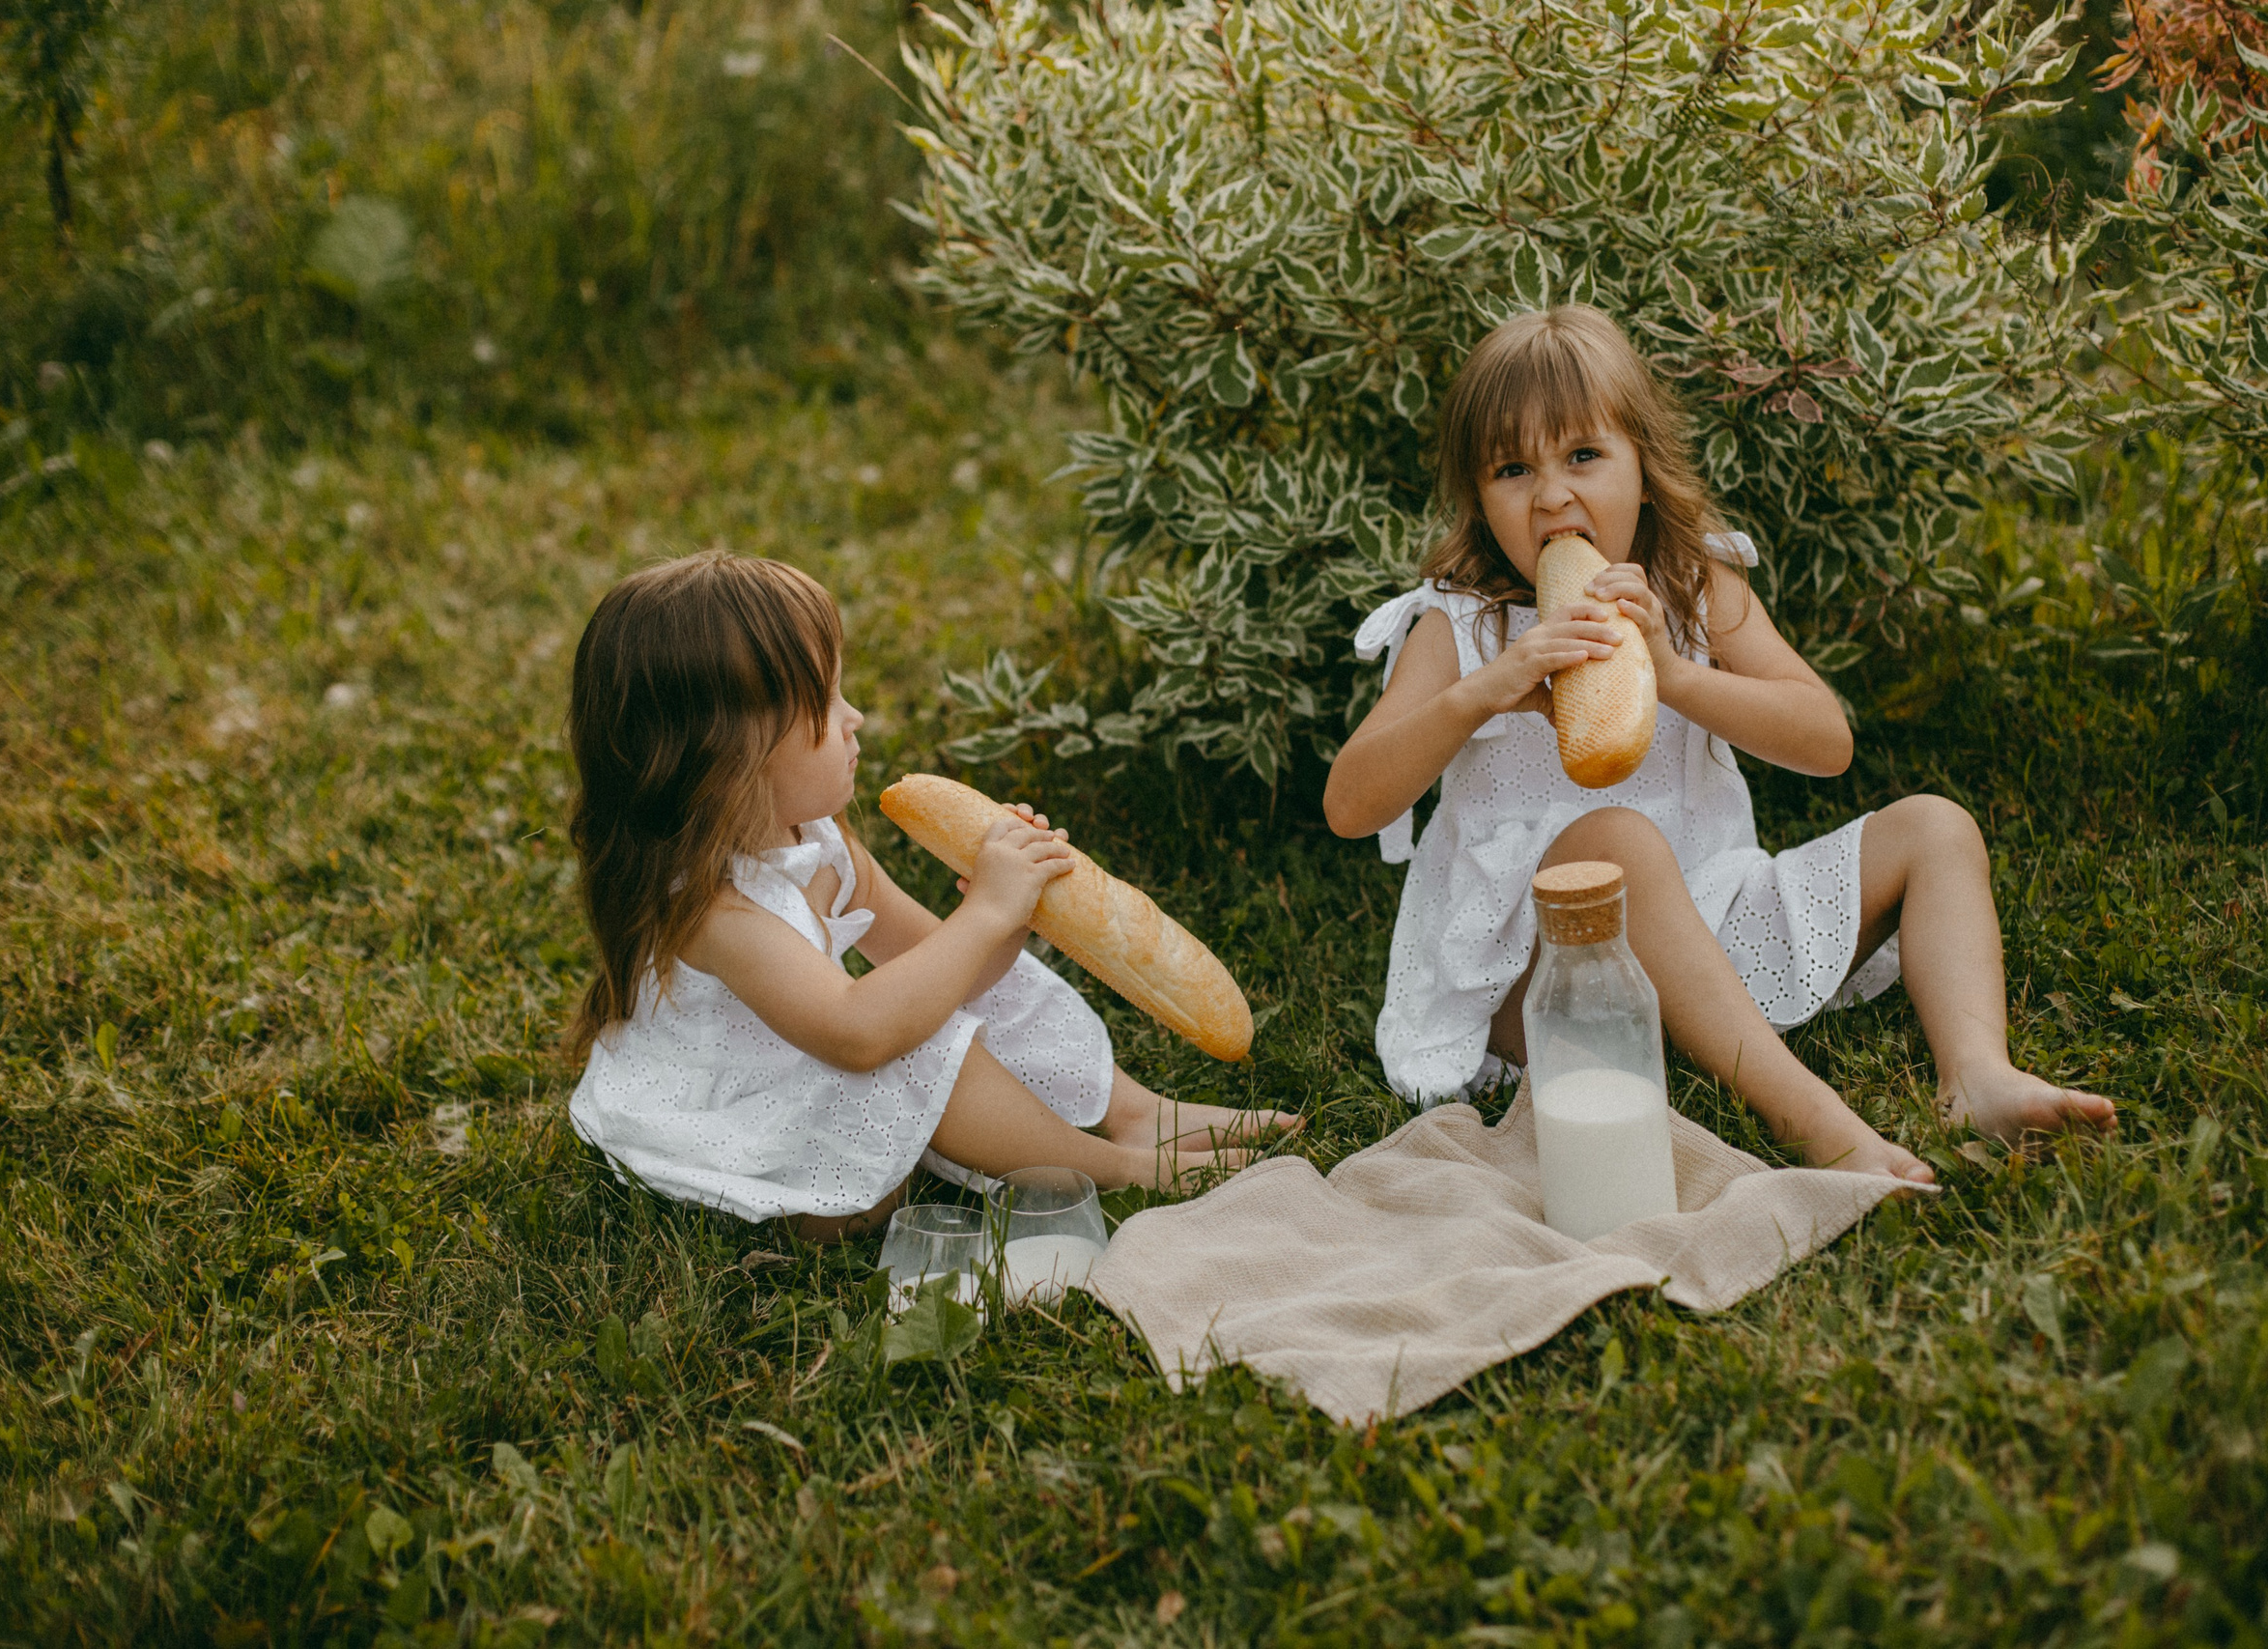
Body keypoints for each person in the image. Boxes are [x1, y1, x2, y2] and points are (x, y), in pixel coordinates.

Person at [1322, 306, 2112, 1181]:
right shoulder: (1460, 624)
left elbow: (1826, 742)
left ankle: (1978, 1072)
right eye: (1514, 469)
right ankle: (1818, 1122)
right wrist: (1486, 691)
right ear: (1480, 498)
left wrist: (1677, 674)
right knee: (1614, 844)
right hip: (1539, 981)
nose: (1551, 495)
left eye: (1583, 456)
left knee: (1936, 827)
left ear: (1645, 470)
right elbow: (1353, 804)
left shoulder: (1695, 584)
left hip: (1716, 923)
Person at [563, 552, 1291, 1238]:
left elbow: (947, 968)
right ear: (730, 758)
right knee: (919, 1046)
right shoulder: (717, 914)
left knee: (967, 999)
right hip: (746, 1139)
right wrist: (983, 915)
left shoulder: (822, 839)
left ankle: (1137, 1113)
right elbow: (859, 1033)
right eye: (828, 703)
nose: (856, 719)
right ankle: (1122, 1168)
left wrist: (1004, 918)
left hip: (814, 1072)